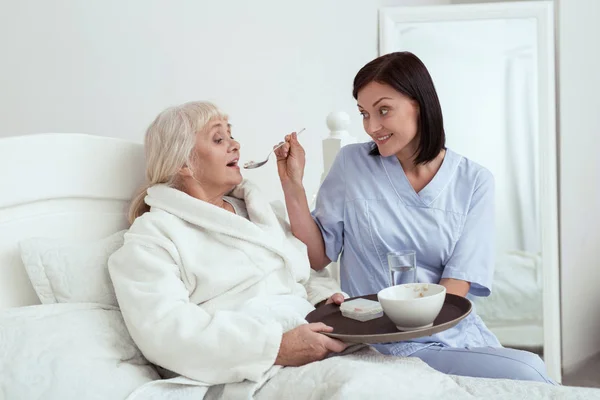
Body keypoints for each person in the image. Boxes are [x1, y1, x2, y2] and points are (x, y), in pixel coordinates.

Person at [275, 51, 555, 384]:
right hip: (378, 340)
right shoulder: (352, 164)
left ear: (418, 105)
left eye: (383, 110)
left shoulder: (474, 181)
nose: (372, 127)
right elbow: (317, 256)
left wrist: (413, 321)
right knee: (529, 371)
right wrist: (292, 184)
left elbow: (458, 282)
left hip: (448, 331)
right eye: (364, 114)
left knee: (529, 370)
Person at [107, 101, 348, 386]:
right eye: (218, 138)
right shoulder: (154, 235)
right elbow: (165, 331)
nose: (235, 145)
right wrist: (277, 348)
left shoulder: (257, 212)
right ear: (183, 162)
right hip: (253, 369)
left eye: (231, 135)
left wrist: (326, 303)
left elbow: (303, 275)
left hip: (314, 338)